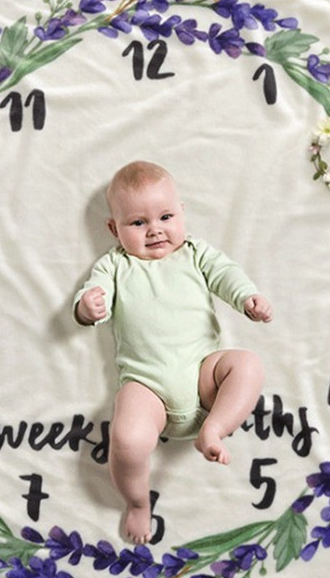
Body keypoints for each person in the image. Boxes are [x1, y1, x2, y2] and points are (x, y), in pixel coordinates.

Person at [74, 161, 272, 543]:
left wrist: (247, 297)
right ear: (114, 229)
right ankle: (137, 502)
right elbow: (94, 292)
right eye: (138, 223)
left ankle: (214, 429)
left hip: (204, 376)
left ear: (182, 212)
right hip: (148, 388)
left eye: (165, 217)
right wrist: (87, 306)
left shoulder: (195, 253)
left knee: (248, 365)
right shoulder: (115, 265)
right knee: (127, 440)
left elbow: (225, 273)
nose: (155, 230)